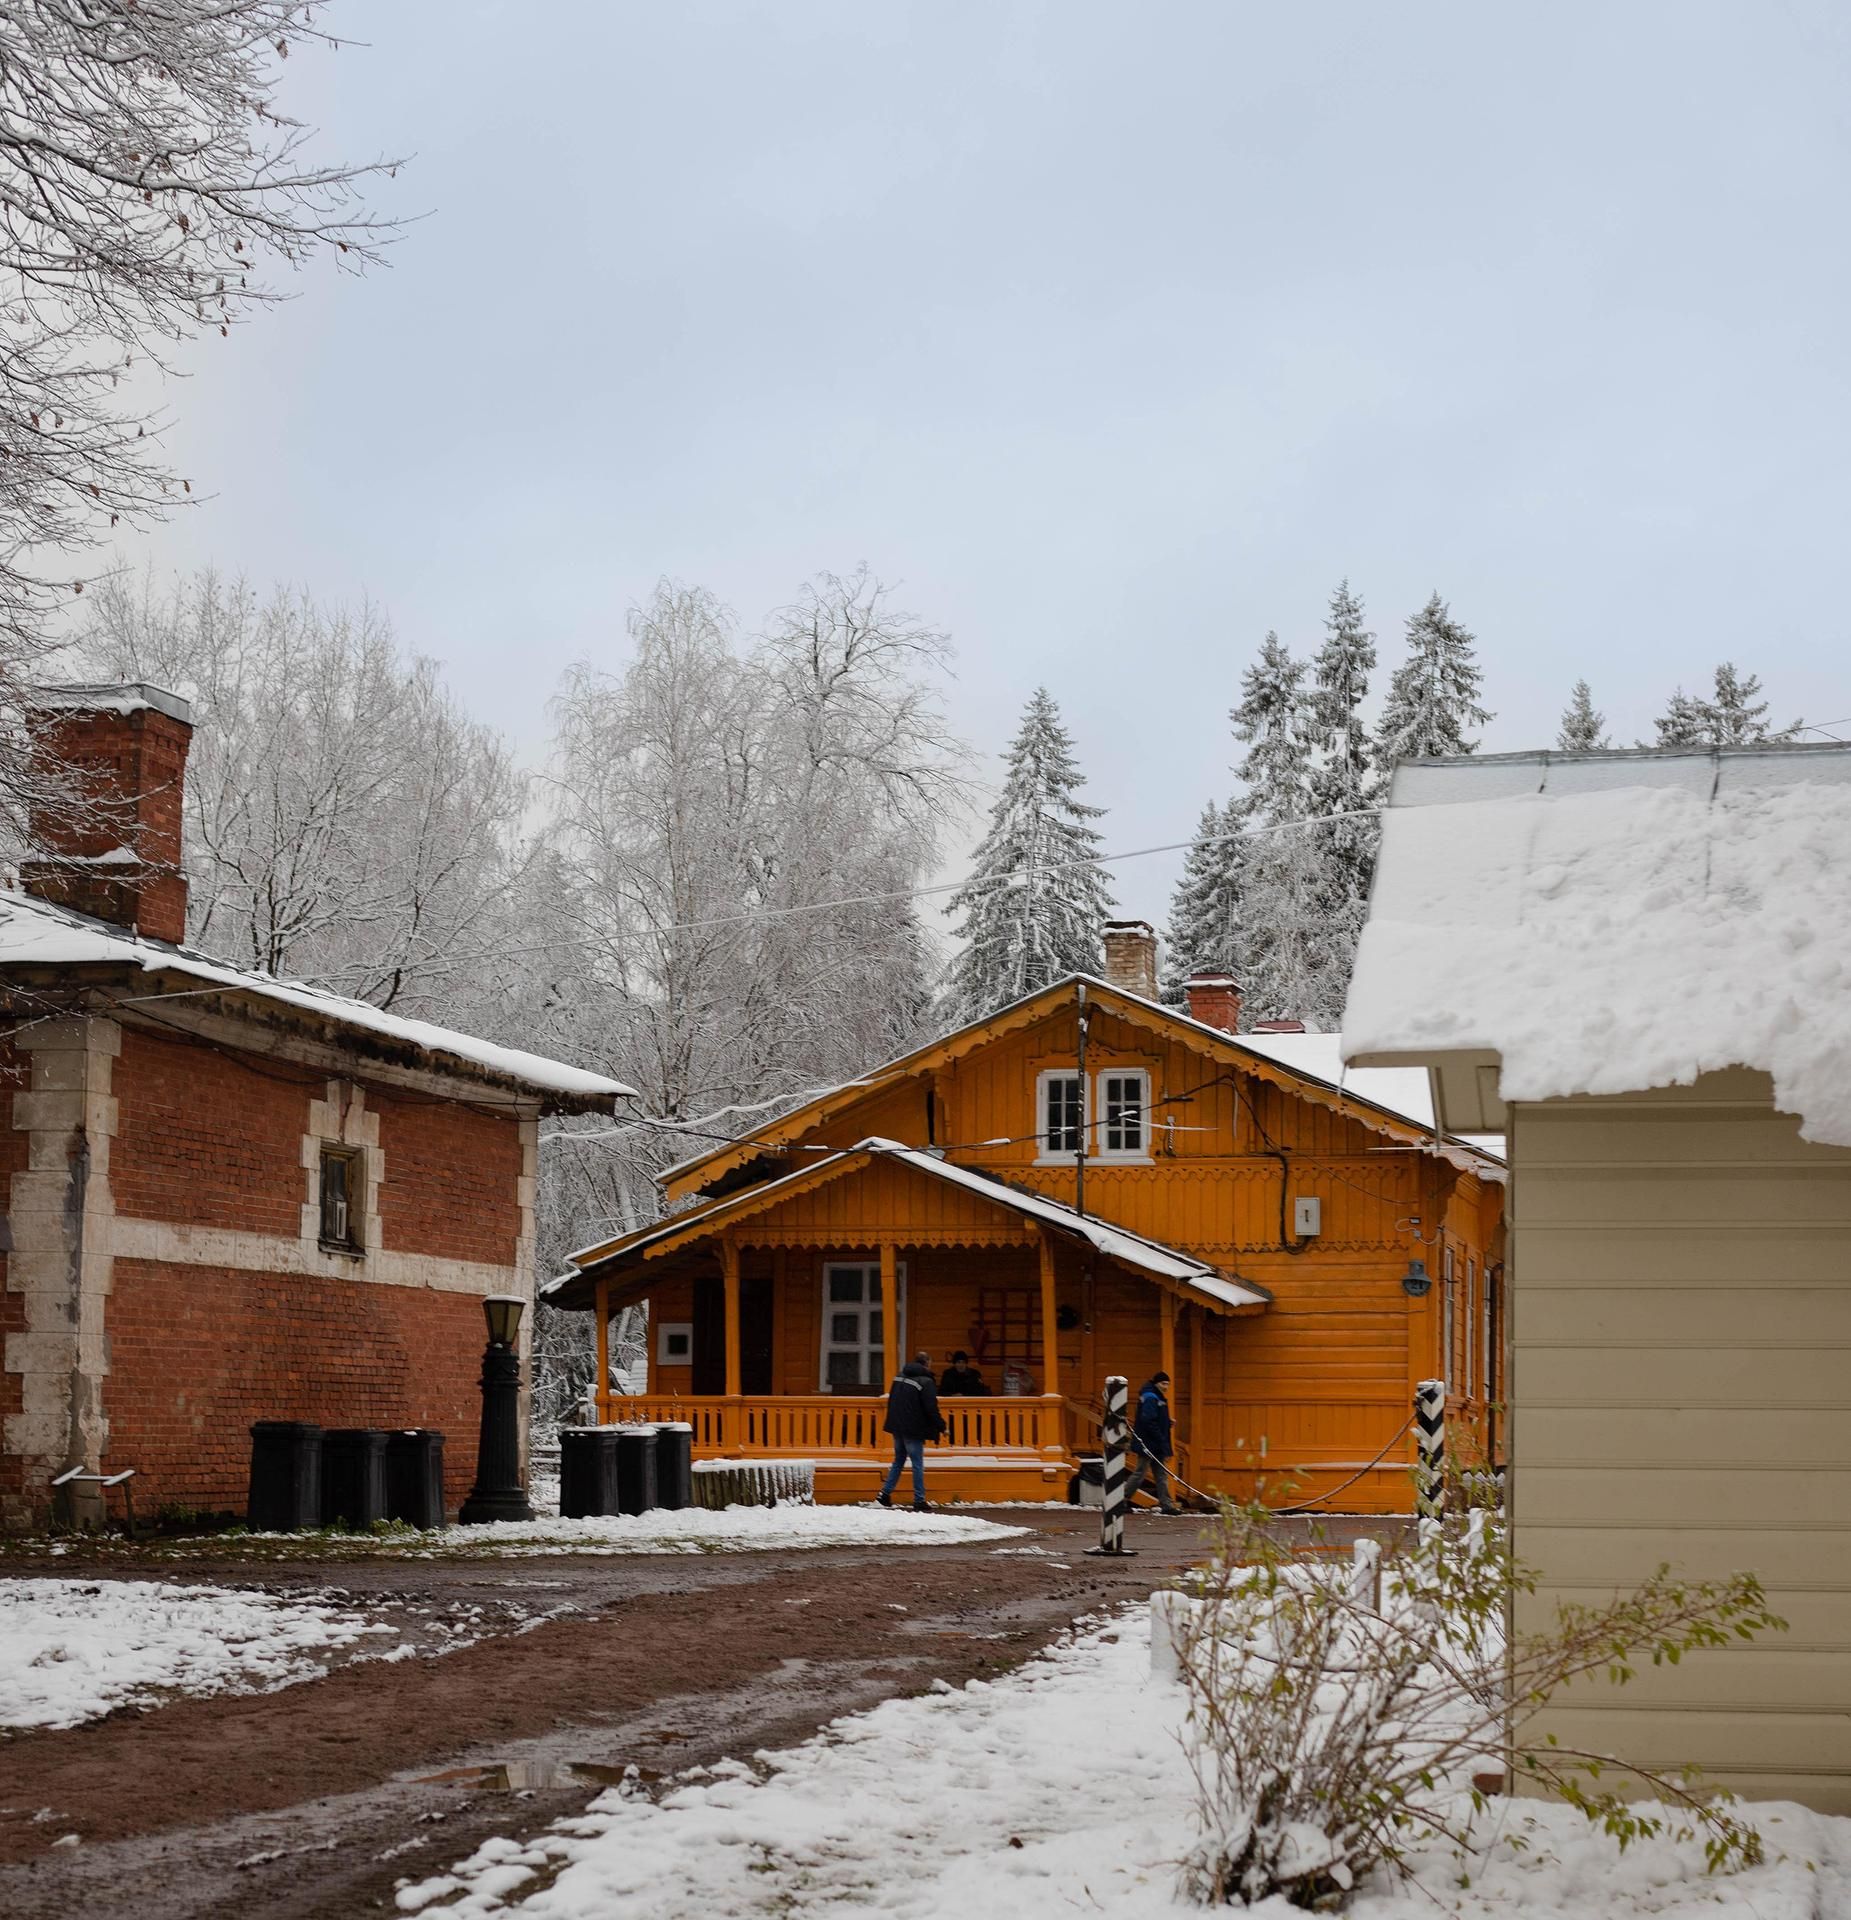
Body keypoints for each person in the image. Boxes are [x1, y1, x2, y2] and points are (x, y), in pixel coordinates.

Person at [877, 1351, 945, 1510]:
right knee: (917, 1464)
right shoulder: (926, 1382)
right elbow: (931, 1408)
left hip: (897, 1426)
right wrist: (941, 1426)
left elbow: (893, 1399)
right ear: (927, 1363)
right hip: (913, 1428)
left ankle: (884, 1494)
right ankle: (919, 1499)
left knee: (898, 1461)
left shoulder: (899, 1377)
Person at [1125, 1371, 1183, 1515]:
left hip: (1153, 1442)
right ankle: (1121, 1500)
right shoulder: (1152, 1397)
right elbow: (1148, 1421)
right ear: (1156, 1383)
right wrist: (1161, 1438)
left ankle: (1166, 1504)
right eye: (1163, 1383)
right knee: (1142, 1473)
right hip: (1149, 1443)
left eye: (1168, 1384)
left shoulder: (1152, 1395)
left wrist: (1167, 1423)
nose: (1166, 1387)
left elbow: (1151, 1418)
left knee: (1160, 1474)